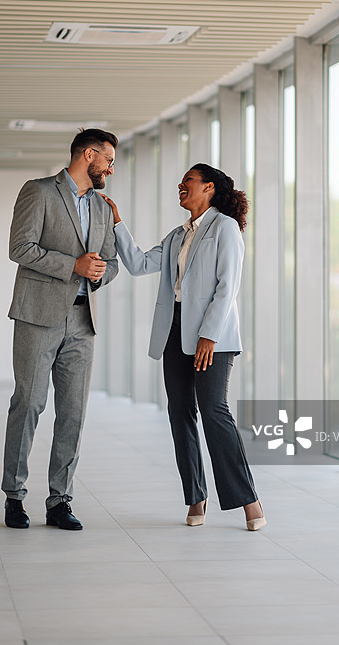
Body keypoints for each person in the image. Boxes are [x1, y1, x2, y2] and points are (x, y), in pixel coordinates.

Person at [104, 163, 265, 531]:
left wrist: (209, 335)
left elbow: (228, 286)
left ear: (208, 187)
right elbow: (140, 263)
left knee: (213, 411)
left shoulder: (224, 227)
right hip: (175, 330)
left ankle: (248, 499)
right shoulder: (178, 235)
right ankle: (196, 496)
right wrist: (117, 223)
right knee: (180, 413)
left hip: (214, 334)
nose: (181, 185)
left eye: (188, 181)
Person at [2, 129, 119, 530]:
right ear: (89, 156)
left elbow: (111, 261)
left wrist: (100, 273)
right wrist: (73, 265)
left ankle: (59, 501)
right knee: (29, 404)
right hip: (38, 316)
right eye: (108, 161)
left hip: (84, 321)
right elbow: (20, 248)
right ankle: (14, 497)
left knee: (73, 413)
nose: (111, 169)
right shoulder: (38, 192)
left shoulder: (103, 208)